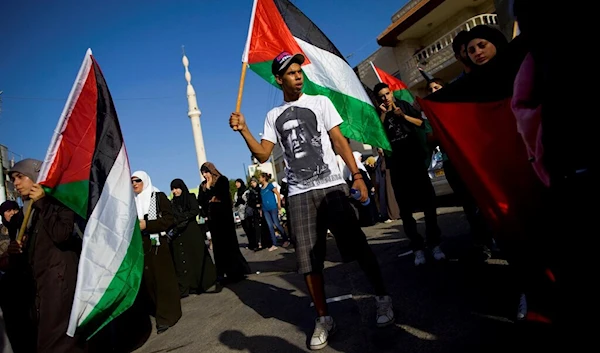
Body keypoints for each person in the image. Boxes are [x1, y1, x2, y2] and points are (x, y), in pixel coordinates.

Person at [230, 51, 394, 350]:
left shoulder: (320, 103)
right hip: (298, 194)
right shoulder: (273, 116)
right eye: (290, 73)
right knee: (308, 260)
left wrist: (356, 176)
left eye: (299, 71)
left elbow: (339, 140)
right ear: (278, 79)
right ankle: (323, 317)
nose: (298, 75)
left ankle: (382, 298)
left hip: (331, 187)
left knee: (356, 245)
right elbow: (263, 155)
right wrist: (244, 131)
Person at [6, 159, 85, 352]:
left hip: (59, 282)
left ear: (36, 177)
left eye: (20, 177)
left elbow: (61, 235)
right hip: (38, 287)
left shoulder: (59, 202)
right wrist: (15, 250)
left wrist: (43, 203)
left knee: (56, 342)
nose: (16, 183)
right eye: (13, 179)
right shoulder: (23, 214)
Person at [374, 82, 446, 266]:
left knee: (428, 204)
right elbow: (377, 137)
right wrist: (383, 115)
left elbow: (422, 123)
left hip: (415, 161)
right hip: (397, 167)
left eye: (387, 94)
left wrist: (403, 116)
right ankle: (417, 248)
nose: (385, 98)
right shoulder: (378, 115)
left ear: (391, 93)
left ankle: (434, 243)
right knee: (405, 211)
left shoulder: (404, 105)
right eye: (381, 96)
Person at [132, 171, 181, 334]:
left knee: (163, 281)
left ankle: (167, 316)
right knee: (149, 282)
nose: (134, 183)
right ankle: (158, 311)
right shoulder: (132, 202)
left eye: (137, 180)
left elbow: (169, 220)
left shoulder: (157, 196)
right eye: (132, 181)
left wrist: (148, 225)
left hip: (159, 246)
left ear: (144, 181)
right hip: (142, 247)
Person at [200, 162, 251, 283]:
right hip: (213, 220)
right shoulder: (203, 186)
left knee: (229, 245)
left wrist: (211, 191)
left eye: (206, 172)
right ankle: (221, 273)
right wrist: (208, 190)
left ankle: (236, 272)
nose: (205, 175)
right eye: (203, 173)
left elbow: (221, 196)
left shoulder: (222, 180)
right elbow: (202, 200)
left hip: (224, 218)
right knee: (218, 247)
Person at [170, 178, 217, 297]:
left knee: (198, 256)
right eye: (173, 189)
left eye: (176, 188)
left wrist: (183, 217)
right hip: (182, 234)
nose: (175, 191)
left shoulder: (190, 197)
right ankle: (191, 285)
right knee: (188, 259)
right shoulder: (173, 202)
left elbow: (194, 210)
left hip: (192, 231)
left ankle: (205, 282)